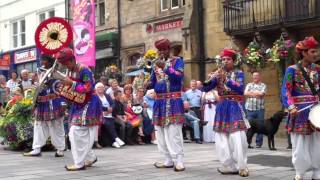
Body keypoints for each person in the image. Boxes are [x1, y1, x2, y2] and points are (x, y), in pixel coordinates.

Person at [202, 48, 249, 177]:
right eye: (223, 59)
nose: (225, 61)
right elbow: (205, 88)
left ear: (233, 61)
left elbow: (240, 89)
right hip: (222, 106)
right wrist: (211, 79)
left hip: (234, 105)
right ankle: (228, 166)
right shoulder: (218, 74)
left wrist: (226, 79)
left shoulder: (239, 73)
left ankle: (242, 166)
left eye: (228, 59)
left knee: (238, 136)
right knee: (222, 137)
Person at [54, 47, 102, 171]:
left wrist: (71, 84)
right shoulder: (69, 71)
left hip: (90, 102)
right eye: (63, 64)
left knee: (76, 131)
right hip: (79, 103)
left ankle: (79, 163)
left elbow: (88, 88)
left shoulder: (84, 70)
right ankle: (90, 157)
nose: (65, 66)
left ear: (72, 59)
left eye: (66, 63)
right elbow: (70, 87)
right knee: (78, 132)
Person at [281, 36, 320, 180]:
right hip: (299, 112)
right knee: (299, 144)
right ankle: (300, 172)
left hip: (316, 111)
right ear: (304, 52)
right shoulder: (292, 70)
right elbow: (286, 90)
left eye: (316, 51)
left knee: (317, 143)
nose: (316, 54)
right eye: (313, 51)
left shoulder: (318, 69)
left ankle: (317, 172)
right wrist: (290, 106)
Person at [149, 38, 185, 172]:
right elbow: (153, 82)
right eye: (159, 50)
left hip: (173, 100)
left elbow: (178, 77)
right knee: (160, 133)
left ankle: (179, 160)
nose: (161, 52)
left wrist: (164, 67)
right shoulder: (155, 64)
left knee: (174, 132)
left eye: (163, 49)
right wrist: (145, 83)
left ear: (168, 49)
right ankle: (168, 159)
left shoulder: (178, 61)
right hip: (159, 102)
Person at [23, 53, 65, 157]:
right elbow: (37, 86)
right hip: (42, 103)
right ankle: (36, 148)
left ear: (50, 61)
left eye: (44, 60)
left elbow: (61, 88)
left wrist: (52, 82)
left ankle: (60, 149)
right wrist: (37, 86)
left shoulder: (57, 72)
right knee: (39, 126)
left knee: (56, 126)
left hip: (54, 103)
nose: (42, 62)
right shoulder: (40, 71)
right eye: (42, 60)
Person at [95, 82, 125, 148]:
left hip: (109, 114)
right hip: (100, 115)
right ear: (96, 89)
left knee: (111, 122)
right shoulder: (95, 96)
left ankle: (113, 142)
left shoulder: (107, 95)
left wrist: (111, 108)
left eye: (102, 87)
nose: (101, 89)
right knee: (107, 123)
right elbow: (98, 106)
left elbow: (113, 103)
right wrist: (106, 109)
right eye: (99, 87)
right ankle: (116, 139)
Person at [244, 71, 266, 148]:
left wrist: (251, 93)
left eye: (257, 75)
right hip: (249, 109)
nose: (255, 77)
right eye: (254, 76)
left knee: (260, 126)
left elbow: (262, 94)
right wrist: (256, 93)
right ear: (252, 77)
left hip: (260, 109)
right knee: (249, 127)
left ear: (259, 77)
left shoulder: (263, 85)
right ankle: (248, 143)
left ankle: (258, 143)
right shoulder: (249, 85)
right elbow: (245, 93)